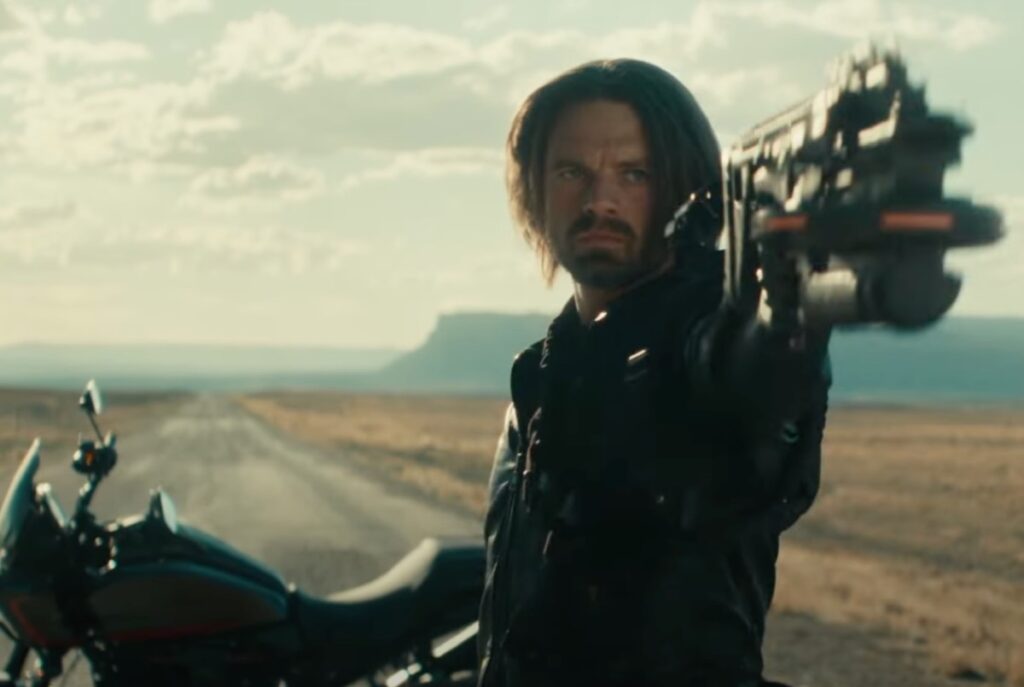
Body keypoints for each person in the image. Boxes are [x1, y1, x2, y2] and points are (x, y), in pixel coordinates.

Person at [476, 59, 831, 687]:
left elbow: (747, 379)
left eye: (633, 174)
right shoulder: (541, 370)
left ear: (684, 190)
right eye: (571, 172)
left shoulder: (704, 346)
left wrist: (784, 324)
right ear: (534, 191)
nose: (598, 200)